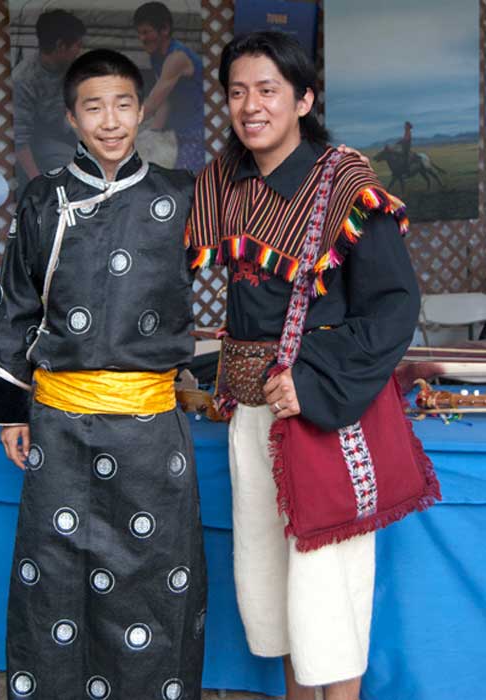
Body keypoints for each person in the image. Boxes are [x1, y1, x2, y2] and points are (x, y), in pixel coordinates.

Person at [188, 32, 423, 700]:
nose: (250, 106)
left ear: (304, 98)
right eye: (237, 92)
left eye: (267, 90)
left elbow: (391, 309)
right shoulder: (223, 185)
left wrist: (311, 376)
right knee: (273, 582)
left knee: (327, 588)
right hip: (250, 416)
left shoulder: (345, 183)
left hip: (322, 410)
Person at [0, 49, 206, 700]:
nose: (110, 120)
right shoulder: (42, 200)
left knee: (154, 577)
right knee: (57, 575)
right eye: (93, 106)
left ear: (141, 109)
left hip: (152, 428)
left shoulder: (179, 197)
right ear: (72, 118)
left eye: (123, 104)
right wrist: (12, 410)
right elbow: (16, 304)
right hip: (60, 427)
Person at [12, 9, 85, 184]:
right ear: (61, 46)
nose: (79, 50)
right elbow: (20, 140)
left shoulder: (70, 67)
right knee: (81, 171)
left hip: (69, 132)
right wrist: (36, 181)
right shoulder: (24, 80)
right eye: (77, 45)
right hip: (40, 142)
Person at [134, 2, 205, 172]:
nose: (141, 39)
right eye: (139, 33)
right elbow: (164, 102)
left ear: (164, 29)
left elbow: (153, 102)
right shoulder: (157, 56)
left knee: (185, 185)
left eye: (146, 32)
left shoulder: (177, 57)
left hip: (199, 132)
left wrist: (123, 124)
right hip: (180, 132)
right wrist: (153, 132)